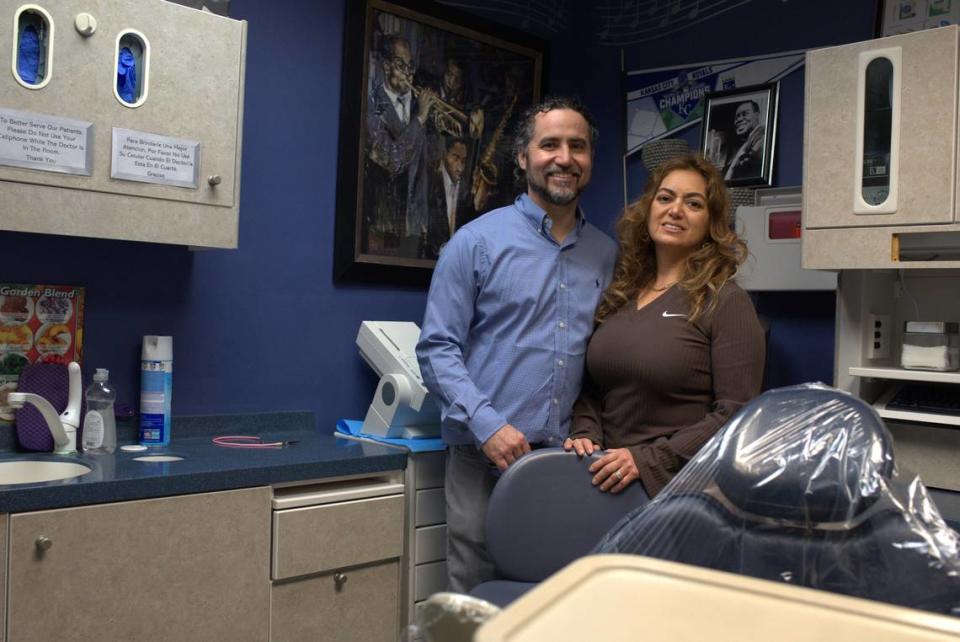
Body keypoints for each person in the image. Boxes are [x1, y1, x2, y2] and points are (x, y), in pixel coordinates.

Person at [416, 97, 617, 593]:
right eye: (549, 144)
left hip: (564, 464)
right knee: (479, 599)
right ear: (523, 158)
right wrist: (489, 426)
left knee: (552, 600)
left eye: (578, 146)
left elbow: (601, 361)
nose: (564, 157)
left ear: (590, 158)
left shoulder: (606, 253)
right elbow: (437, 350)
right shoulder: (475, 242)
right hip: (485, 457)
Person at [564, 152, 765, 499]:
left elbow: (738, 414)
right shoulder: (620, 294)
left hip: (678, 491)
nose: (676, 210)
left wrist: (648, 459)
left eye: (694, 203)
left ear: (711, 223)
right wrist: (586, 431)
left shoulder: (726, 302)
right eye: (665, 197)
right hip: (603, 481)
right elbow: (594, 388)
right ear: (649, 209)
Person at [362, 34, 437, 258]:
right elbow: (393, 161)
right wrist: (421, 120)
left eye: (410, 65)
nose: (408, 72)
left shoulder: (418, 106)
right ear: (386, 66)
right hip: (385, 226)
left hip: (414, 225)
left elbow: (430, 164)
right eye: (400, 65)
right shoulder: (372, 106)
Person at [424, 136, 470, 259]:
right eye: (455, 159)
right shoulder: (430, 183)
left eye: (463, 161)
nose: (460, 167)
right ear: (445, 155)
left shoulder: (465, 188)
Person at [722, 100, 765, 181]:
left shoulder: (763, 137)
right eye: (737, 117)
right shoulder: (748, 142)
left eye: (745, 114)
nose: (739, 120)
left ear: (757, 115)